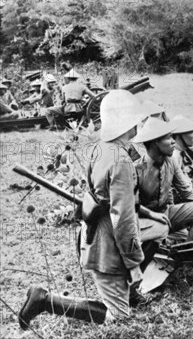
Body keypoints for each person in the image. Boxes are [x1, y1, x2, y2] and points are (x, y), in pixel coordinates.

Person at [18, 90, 147, 329]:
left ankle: (47, 300)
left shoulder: (101, 148)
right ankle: (45, 301)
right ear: (128, 122)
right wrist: (133, 263)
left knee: (120, 306)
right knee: (119, 318)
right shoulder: (121, 160)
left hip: (94, 235)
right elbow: (124, 220)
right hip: (108, 244)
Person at [133, 118, 193, 244]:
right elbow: (130, 204)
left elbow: (186, 191)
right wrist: (152, 215)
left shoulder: (171, 161)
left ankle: (188, 253)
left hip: (166, 213)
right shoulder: (136, 169)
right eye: (168, 138)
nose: (173, 142)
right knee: (162, 238)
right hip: (142, 220)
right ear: (154, 143)